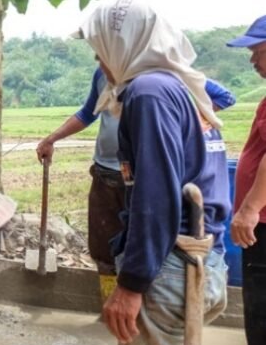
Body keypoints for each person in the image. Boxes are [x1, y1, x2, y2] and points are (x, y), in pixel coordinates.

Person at [77, 0, 228, 345]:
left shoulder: (149, 94)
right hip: (201, 258)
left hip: (169, 264)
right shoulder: (177, 86)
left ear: (123, 44)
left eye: (100, 52)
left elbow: (155, 197)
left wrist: (131, 284)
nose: (101, 62)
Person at [37, 69, 236, 306]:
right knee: (104, 248)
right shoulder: (103, 74)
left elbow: (225, 97)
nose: (99, 58)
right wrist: (52, 138)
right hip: (107, 170)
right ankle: (110, 309)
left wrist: (188, 122)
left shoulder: (164, 75)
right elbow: (87, 113)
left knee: (141, 242)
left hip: (145, 174)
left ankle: (136, 302)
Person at [225, 14, 266, 345]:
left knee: (262, 307)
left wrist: (250, 208)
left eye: (259, 51)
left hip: (264, 223)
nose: (253, 60)